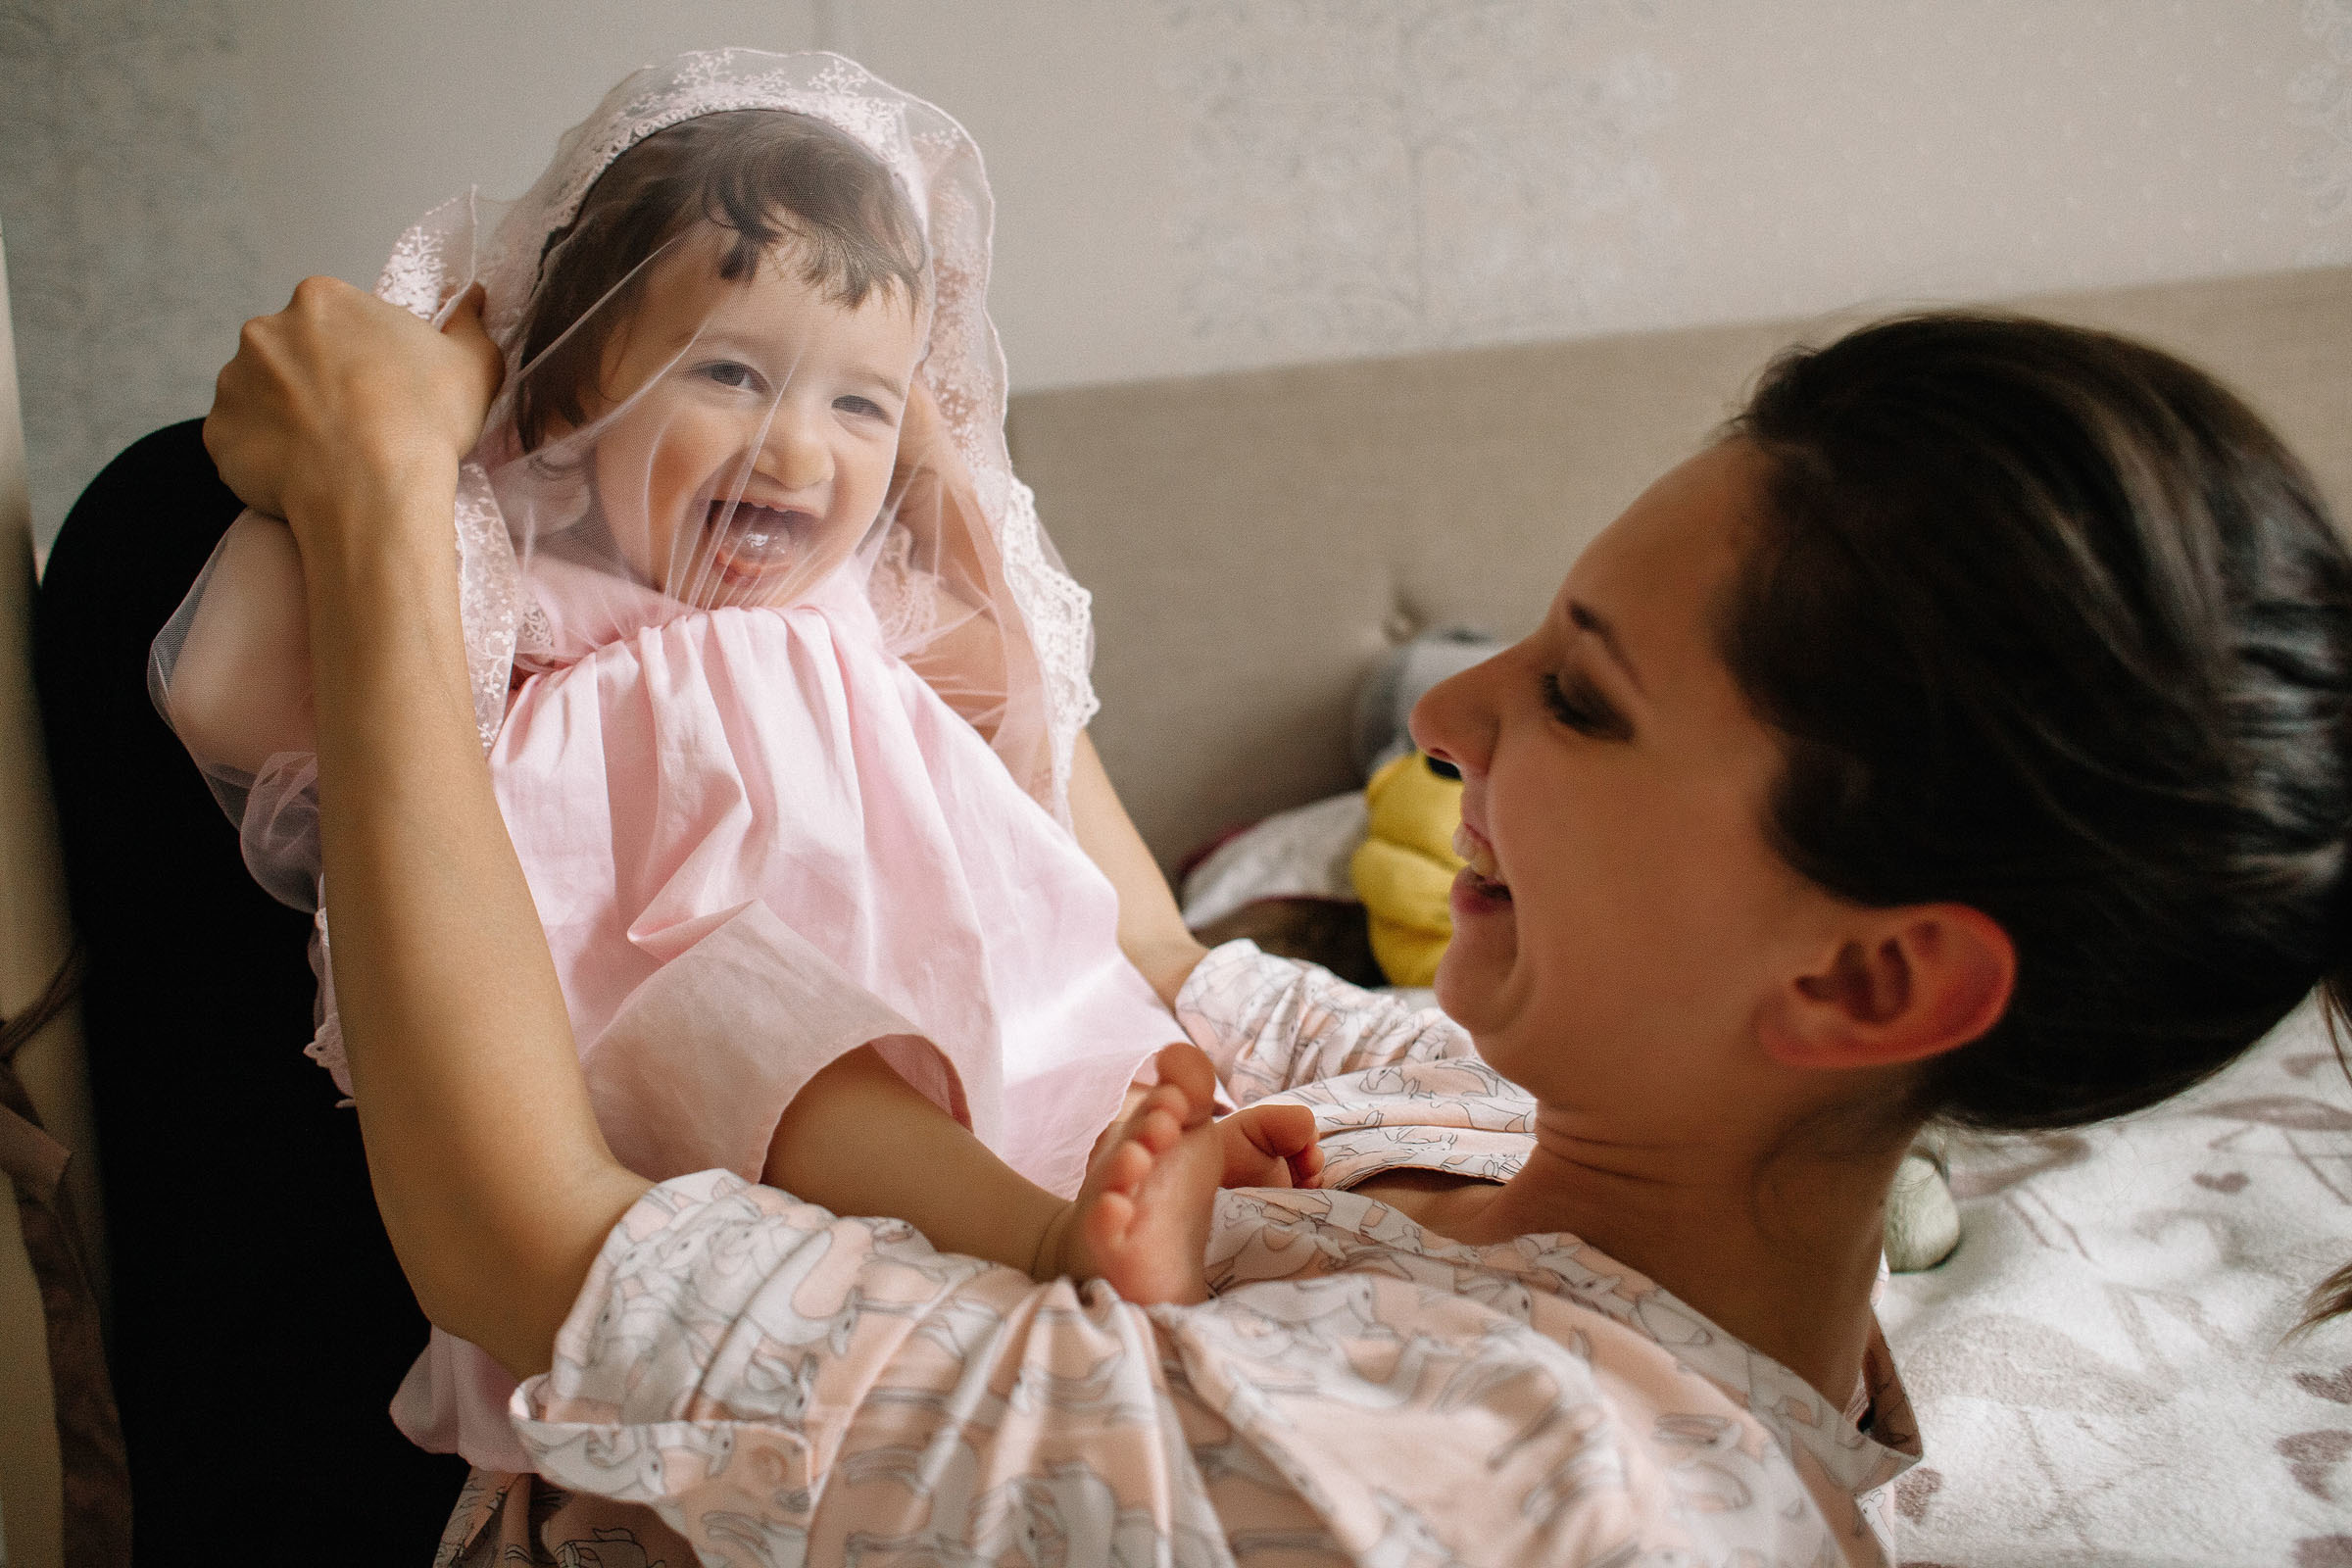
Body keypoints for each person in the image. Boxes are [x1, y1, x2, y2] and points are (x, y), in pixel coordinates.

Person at [203, 260, 2352, 1563]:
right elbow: (1149, 962)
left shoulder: (1475, 1492)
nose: (1452, 712)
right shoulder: (1513, 1122)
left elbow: (529, 1242)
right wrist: (922, 496)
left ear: (1873, 974)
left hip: (487, 1345)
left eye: (1583, 701)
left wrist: (383, 493)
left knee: (172, 544)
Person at [146, 51, 1266, 1482]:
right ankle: (1047, 1244)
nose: (796, 449)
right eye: (732, 374)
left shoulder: (852, 601)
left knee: (1051, 1015)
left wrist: (929, 447)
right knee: (780, 1039)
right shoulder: (525, 594)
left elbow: (1019, 681)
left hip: (922, 985)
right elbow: (226, 688)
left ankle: (1128, 1174)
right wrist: (390, 458)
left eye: (857, 404)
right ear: (569, 403)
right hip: (687, 1016)